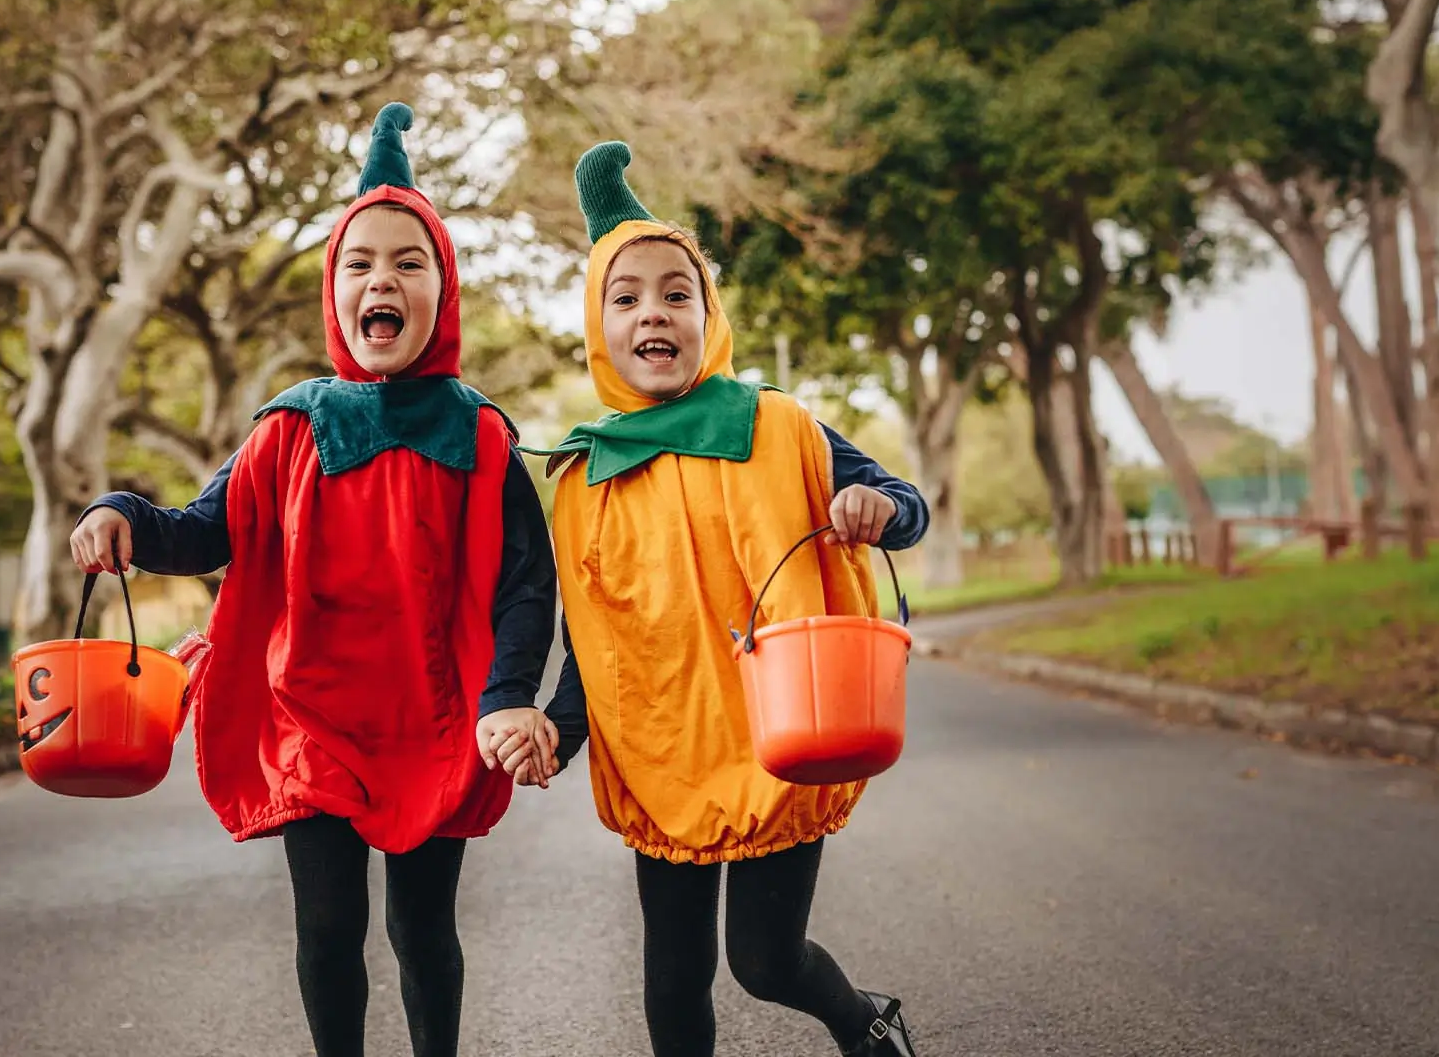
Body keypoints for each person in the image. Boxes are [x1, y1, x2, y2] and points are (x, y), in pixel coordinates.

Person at [67, 102, 559, 1057]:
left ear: (443, 290)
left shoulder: (481, 432)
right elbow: (203, 529)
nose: (384, 278)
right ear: (333, 294)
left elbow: (526, 587)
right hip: (312, 715)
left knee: (423, 932)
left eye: (409, 262)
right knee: (328, 929)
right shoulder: (290, 426)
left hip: (435, 715)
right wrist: (124, 510)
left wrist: (507, 696)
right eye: (359, 263)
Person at [490, 140, 926, 1057]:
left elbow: (909, 508)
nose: (653, 311)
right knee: (672, 973)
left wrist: (877, 507)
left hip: (783, 734)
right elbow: (595, 639)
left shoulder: (780, 424)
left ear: (708, 314)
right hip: (663, 750)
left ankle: (861, 1019)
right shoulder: (585, 473)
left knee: (763, 962)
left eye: (675, 293)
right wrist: (557, 732)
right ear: (597, 327)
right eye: (627, 296)